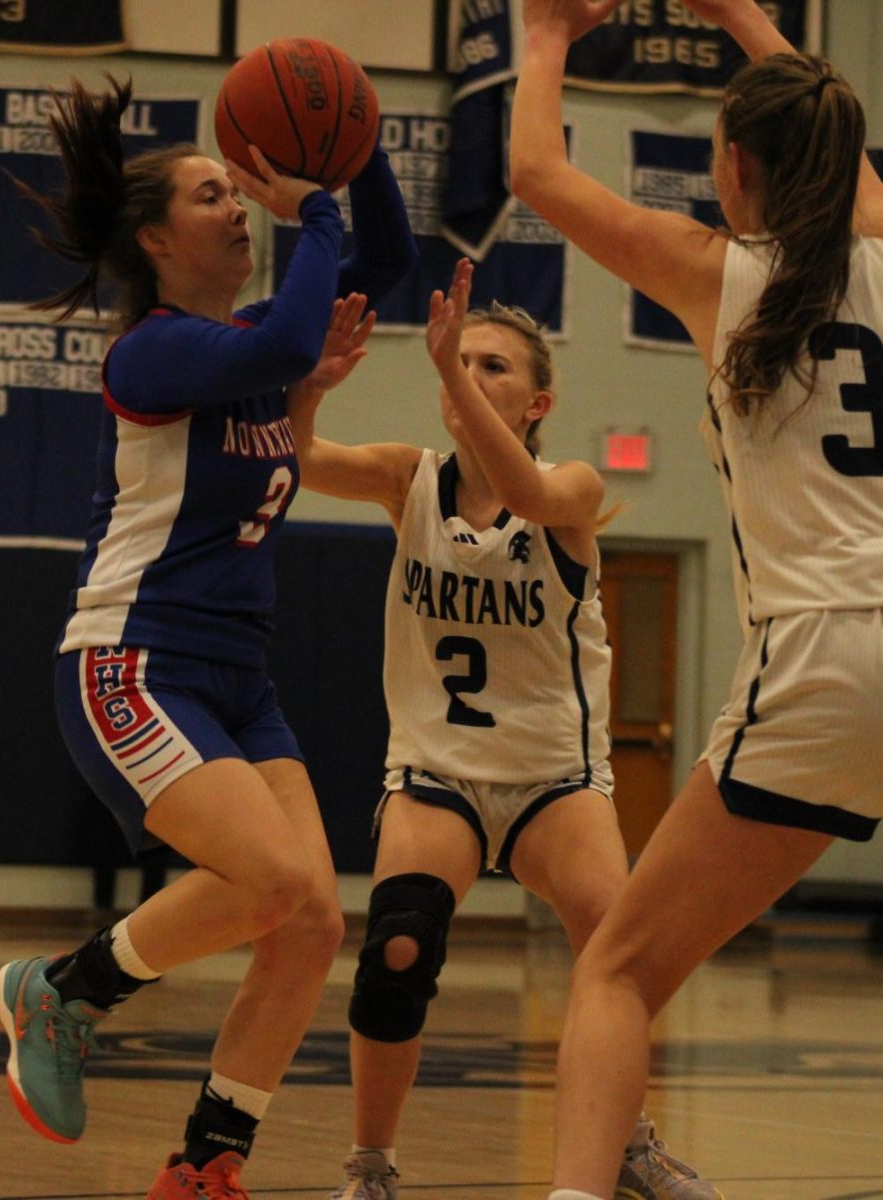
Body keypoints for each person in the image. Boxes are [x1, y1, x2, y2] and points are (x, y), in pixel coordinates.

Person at [0, 75, 417, 1200]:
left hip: (237, 679)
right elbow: (286, 337)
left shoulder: (251, 350)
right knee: (272, 879)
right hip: (134, 661)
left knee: (316, 920)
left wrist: (355, 148)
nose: (238, 206)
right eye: (212, 193)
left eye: (242, 190)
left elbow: (392, 265)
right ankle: (65, 992)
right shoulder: (155, 351)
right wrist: (311, 214)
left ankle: (205, 1166)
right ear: (153, 238)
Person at [509, 2, 883, 1198]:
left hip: (827, 652)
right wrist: (737, 12)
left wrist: (545, 33)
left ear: (735, 166)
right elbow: (844, 145)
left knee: (618, 967)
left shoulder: (714, 270)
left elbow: (532, 170)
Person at [287, 262, 720, 1200]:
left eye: (494, 368)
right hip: (438, 773)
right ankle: (370, 1168)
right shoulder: (410, 480)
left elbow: (523, 491)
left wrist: (444, 370)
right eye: (463, 362)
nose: (471, 377)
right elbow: (301, 461)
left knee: (618, 949)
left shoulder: (568, 486)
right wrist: (308, 387)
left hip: (554, 781)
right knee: (399, 946)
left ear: (539, 399)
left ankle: (627, 1145)